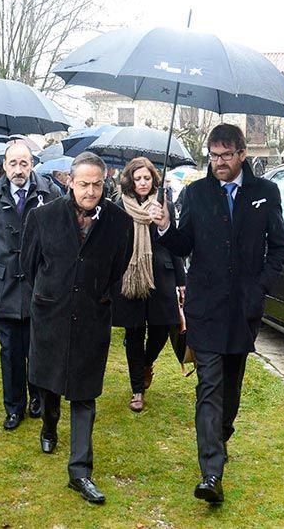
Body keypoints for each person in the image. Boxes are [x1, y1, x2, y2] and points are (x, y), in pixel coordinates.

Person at [149, 124, 284, 503]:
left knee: (231, 389)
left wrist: (260, 285)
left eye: (226, 155)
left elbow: (278, 246)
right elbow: (183, 244)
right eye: (213, 155)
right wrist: (164, 227)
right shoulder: (196, 193)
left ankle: (220, 437)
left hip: (243, 309)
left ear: (242, 153)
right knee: (208, 386)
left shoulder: (264, 193)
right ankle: (211, 473)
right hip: (205, 307)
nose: (219, 163)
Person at [21, 152, 133, 504]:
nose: (90, 192)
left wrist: (96, 292)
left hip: (91, 317)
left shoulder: (119, 221)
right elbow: (29, 263)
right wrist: (49, 295)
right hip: (51, 314)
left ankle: (80, 472)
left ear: (106, 183)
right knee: (52, 381)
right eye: (83, 184)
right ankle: (49, 423)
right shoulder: (42, 216)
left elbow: (119, 265)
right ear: (70, 182)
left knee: (85, 393)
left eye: (96, 185)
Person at [0, 142, 61, 430]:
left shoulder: (49, 192)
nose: (18, 169)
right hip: (4, 285)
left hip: (39, 284)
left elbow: (58, 236)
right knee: (10, 351)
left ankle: (37, 395)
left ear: (32, 164)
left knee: (37, 347)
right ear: (4, 165)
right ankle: (13, 407)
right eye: (13, 163)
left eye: (24, 163)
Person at [111, 157, 185, 412]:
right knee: (133, 333)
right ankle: (137, 390)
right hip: (130, 275)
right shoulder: (119, 205)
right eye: (137, 178)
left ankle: (146, 364)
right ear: (130, 180)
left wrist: (181, 280)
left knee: (161, 329)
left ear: (154, 178)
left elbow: (174, 241)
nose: (142, 182)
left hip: (161, 276)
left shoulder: (165, 202)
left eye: (147, 178)